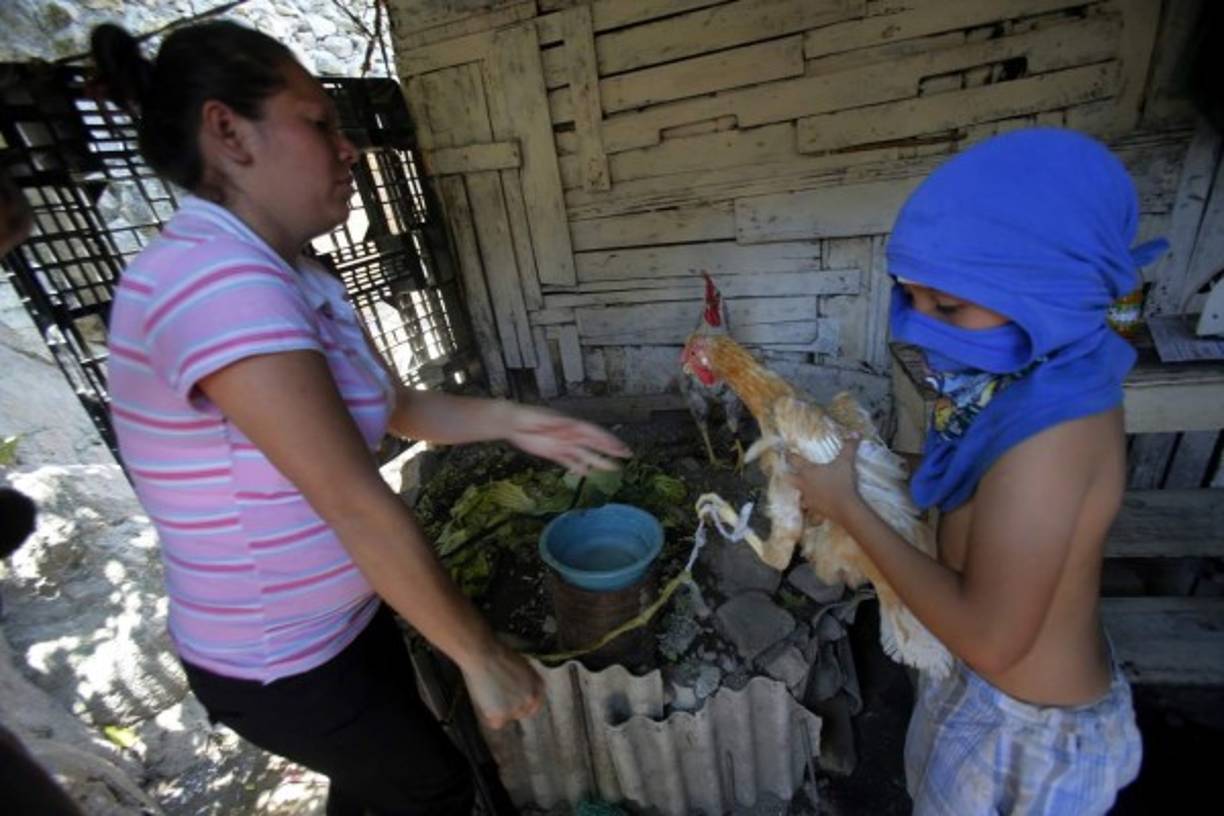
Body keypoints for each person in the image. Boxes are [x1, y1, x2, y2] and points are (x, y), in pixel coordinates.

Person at [89, 20, 630, 816]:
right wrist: (477, 651)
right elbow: (349, 498)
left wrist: (516, 420)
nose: (350, 151)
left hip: (345, 619)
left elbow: (400, 408)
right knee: (431, 786)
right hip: (277, 659)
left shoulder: (297, 274)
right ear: (227, 131)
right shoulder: (212, 280)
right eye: (318, 124)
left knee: (383, 783)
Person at [787, 129, 1158, 815]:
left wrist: (850, 509)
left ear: (1045, 288)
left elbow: (990, 636)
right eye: (914, 300)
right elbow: (982, 490)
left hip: (1025, 740)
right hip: (984, 694)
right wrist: (865, 469)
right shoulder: (1028, 382)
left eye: (949, 307)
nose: (923, 329)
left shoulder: (1054, 438)